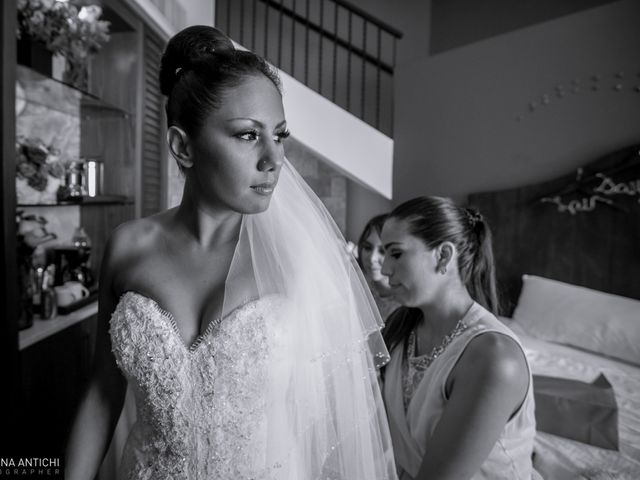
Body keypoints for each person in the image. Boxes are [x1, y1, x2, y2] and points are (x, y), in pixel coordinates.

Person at [65, 25, 396, 480]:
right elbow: (103, 391)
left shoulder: (297, 262)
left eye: (279, 135)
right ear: (183, 146)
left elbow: (334, 427)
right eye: (247, 135)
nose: (274, 159)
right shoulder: (127, 247)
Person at [379, 196, 541, 480]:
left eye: (396, 254)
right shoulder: (401, 328)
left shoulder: (493, 357)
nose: (384, 269)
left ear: (443, 255)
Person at [357, 214, 401, 321]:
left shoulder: (408, 300)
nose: (372, 258)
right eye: (367, 248)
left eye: (382, 251)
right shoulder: (356, 288)